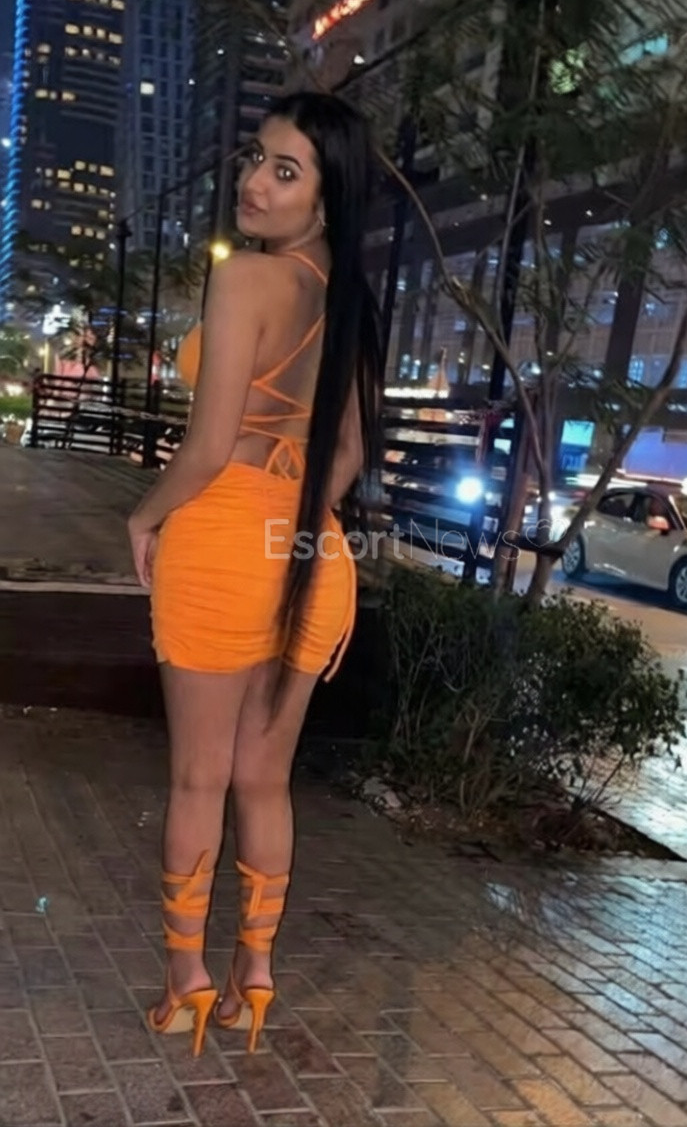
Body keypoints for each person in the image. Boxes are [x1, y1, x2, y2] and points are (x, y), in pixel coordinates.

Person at [127, 91, 383, 1057]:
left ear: (327, 195)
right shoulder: (347, 300)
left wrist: (142, 516)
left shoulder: (246, 281)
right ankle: (254, 978)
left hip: (224, 541)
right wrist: (293, 520)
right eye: (255, 159)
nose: (254, 183)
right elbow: (346, 452)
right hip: (310, 553)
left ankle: (186, 981)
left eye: (285, 170)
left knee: (199, 778)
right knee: (263, 783)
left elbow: (204, 450)